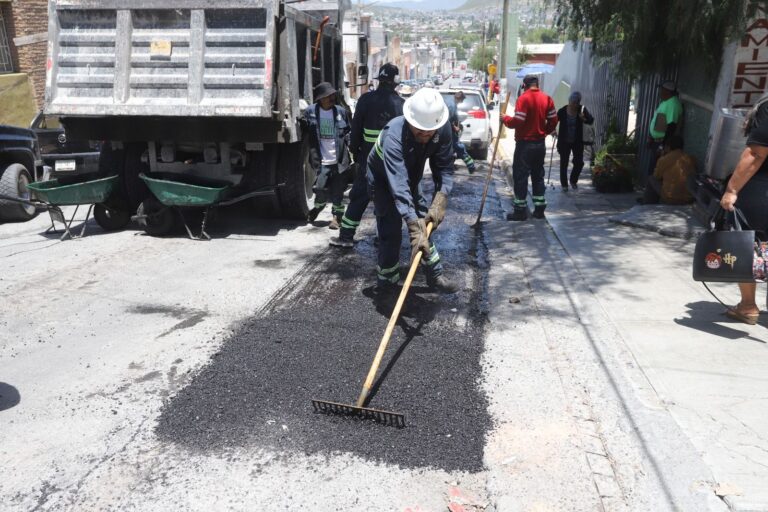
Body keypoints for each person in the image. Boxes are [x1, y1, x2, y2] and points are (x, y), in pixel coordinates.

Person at [367, 88, 458, 293]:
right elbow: (398, 185)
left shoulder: (441, 129)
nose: (425, 135)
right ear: (410, 121)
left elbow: (444, 168)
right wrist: (410, 221)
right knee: (391, 228)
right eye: (419, 130)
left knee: (424, 221)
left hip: (409, 174)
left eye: (429, 131)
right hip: (382, 178)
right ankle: (387, 281)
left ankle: (435, 274)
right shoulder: (394, 135)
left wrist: (441, 197)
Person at [330, 63, 404, 248]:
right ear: (395, 83)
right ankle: (383, 238)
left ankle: (346, 236)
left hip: (367, 161)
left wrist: (355, 152)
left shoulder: (365, 100)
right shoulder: (401, 105)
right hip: (391, 162)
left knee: (359, 196)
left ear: (379, 80)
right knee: (387, 199)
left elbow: (355, 131)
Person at [719, 95, 768, 325]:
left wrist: (732, 189)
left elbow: (757, 153)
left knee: (750, 243)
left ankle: (748, 305)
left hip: (762, 190)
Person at [501, 74, 558, 220]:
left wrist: (505, 119)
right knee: (538, 176)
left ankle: (520, 211)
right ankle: (539, 210)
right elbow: (553, 119)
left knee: (520, 176)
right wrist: (544, 131)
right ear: (537, 85)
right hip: (539, 144)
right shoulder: (547, 98)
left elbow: (519, 120)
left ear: (524, 85)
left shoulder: (523, 98)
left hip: (525, 145)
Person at [305, 82, 352, 229]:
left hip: (339, 160)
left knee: (338, 192)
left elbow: (349, 132)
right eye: (327, 96)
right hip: (322, 161)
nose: (331, 98)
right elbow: (305, 131)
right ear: (320, 98)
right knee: (319, 188)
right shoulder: (310, 112)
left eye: (332, 95)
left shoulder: (341, 112)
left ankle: (337, 218)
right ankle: (318, 207)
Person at [639, 135, 695, 204]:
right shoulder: (690, 158)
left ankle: (647, 203)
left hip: (671, 198)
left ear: (668, 147)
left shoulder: (664, 159)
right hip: (688, 199)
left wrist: (661, 157)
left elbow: (656, 176)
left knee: (651, 179)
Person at [556, 91, 594, 191]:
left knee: (579, 162)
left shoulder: (582, 109)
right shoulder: (563, 111)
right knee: (564, 163)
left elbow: (591, 120)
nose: (574, 105)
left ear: (578, 103)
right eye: (572, 102)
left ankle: (573, 180)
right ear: (569, 101)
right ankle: (564, 185)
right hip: (564, 141)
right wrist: (552, 130)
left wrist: (584, 118)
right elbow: (554, 120)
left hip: (577, 141)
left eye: (576, 103)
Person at [648, 80, 683, 172]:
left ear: (668, 91)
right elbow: (659, 121)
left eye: (662, 89)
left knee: (656, 170)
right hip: (656, 141)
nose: (660, 92)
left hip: (661, 143)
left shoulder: (673, 104)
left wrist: (662, 146)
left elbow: (672, 126)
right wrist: (651, 136)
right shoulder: (666, 102)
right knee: (653, 167)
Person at [445, 91, 477, 174]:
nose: (462, 102)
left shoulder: (450, 101)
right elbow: (447, 120)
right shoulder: (451, 105)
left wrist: (457, 125)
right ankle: (471, 166)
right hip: (449, 131)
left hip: (449, 131)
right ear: (459, 98)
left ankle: (449, 167)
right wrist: (454, 127)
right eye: (462, 100)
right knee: (459, 148)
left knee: (450, 150)